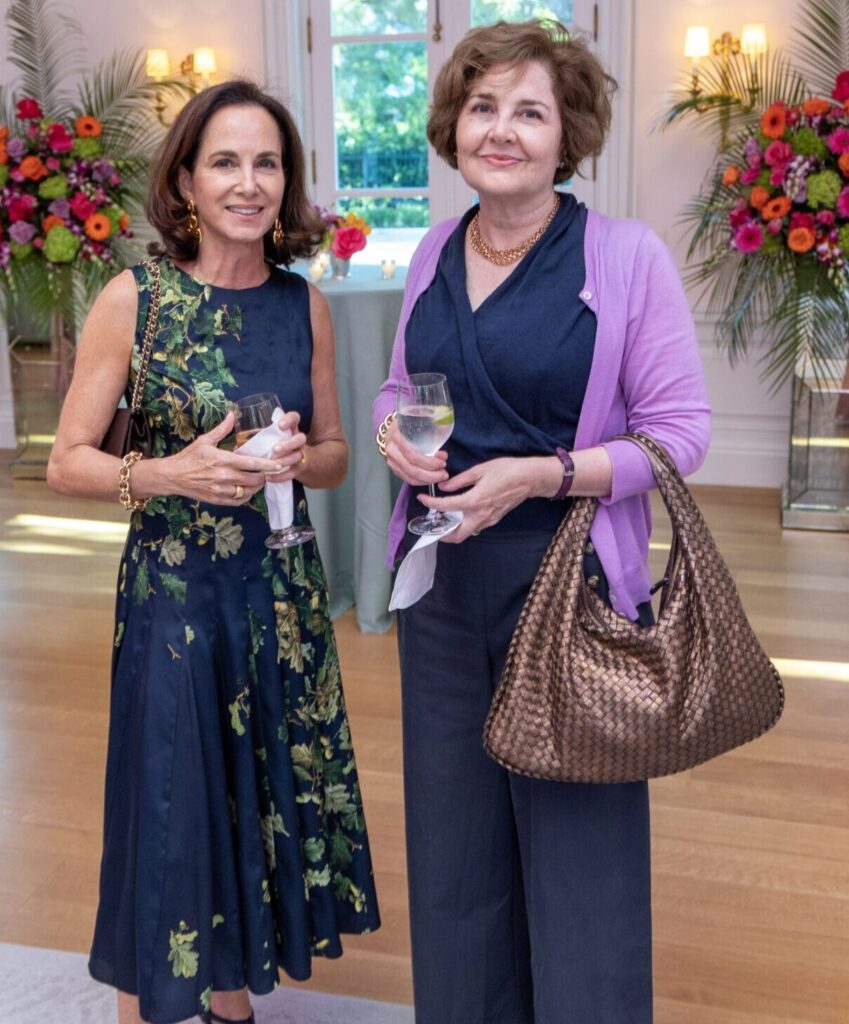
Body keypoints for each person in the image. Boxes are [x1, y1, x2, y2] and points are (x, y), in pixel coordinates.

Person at [373, 20, 711, 1024]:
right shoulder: (435, 246)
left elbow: (679, 436)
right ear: (454, 126)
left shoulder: (622, 255)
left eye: (531, 111)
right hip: (440, 584)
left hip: (570, 588)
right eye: (484, 107)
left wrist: (543, 474)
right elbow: (400, 385)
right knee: (453, 849)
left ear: (570, 138)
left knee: (579, 860)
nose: (503, 130)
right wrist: (398, 436)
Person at [47, 80, 380, 1024]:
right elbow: (68, 463)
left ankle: (232, 1001)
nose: (248, 183)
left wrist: (292, 458)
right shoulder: (136, 298)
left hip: (277, 594)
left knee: (254, 795)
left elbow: (335, 454)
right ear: (186, 180)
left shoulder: (301, 305)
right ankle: (147, 1006)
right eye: (225, 162)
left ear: (288, 183)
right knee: (172, 806)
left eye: (266, 163)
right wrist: (172, 475)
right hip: (175, 598)